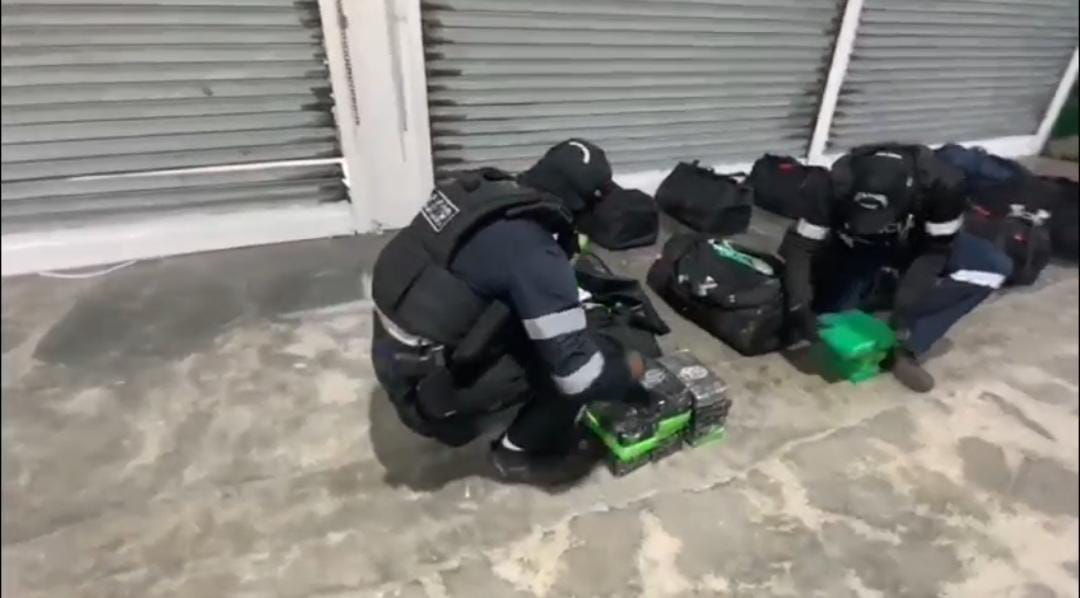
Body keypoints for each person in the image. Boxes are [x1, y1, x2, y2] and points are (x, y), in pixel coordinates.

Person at [370, 139, 644, 486]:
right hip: (426, 397)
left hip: (390, 351)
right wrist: (627, 370)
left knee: (533, 321)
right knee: (577, 364)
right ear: (585, 204)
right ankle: (515, 454)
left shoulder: (476, 191)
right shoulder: (535, 252)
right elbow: (578, 376)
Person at [781, 143, 1013, 392]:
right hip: (856, 246)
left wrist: (907, 307)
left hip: (918, 243)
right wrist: (799, 304)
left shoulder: (944, 186)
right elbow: (799, 246)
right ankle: (871, 290)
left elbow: (935, 252)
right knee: (827, 320)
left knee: (992, 268)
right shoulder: (831, 183)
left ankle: (906, 348)